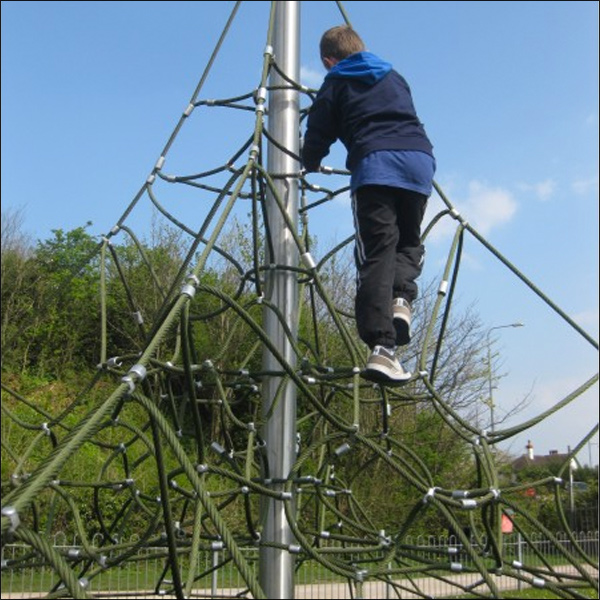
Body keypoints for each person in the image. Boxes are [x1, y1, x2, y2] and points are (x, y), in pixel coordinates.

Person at [301, 25, 436, 384]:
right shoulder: (394, 76)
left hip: (377, 166)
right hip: (420, 161)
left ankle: (383, 347)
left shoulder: (336, 81)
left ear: (329, 60)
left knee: (376, 251)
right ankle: (402, 300)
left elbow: (319, 129)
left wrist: (307, 161)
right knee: (408, 241)